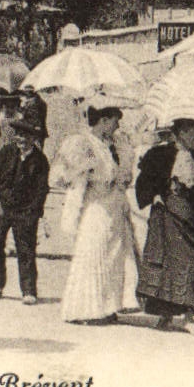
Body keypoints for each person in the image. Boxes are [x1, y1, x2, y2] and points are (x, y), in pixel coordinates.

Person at [50, 101, 137, 325]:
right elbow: (62, 177)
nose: (117, 127)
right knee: (93, 255)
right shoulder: (82, 143)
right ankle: (86, 310)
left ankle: (107, 307)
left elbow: (120, 173)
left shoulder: (111, 145)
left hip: (114, 208)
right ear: (103, 121)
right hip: (95, 208)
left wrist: (122, 175)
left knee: (112, 258)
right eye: (115, 122)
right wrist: (86, 171)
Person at [136, 119, 194, 332]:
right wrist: (155, 195)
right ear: (179, 133)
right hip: (167, 216)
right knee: (166, 266)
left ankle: (188, 318)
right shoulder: (158, 155)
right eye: (190, 132)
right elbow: (144, 182)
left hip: (192, 217)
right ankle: (165, 314)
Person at [0, 95, 50, 303]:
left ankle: (28, 290)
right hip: (2, 208)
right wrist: (0, 202)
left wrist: (33, 212)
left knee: (26, 249)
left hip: (25, 212)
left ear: (33, 138)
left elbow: (41, 190)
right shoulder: (6, 153)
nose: (21, 140)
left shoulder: (40, 160)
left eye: (26, 136)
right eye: (18, 135)